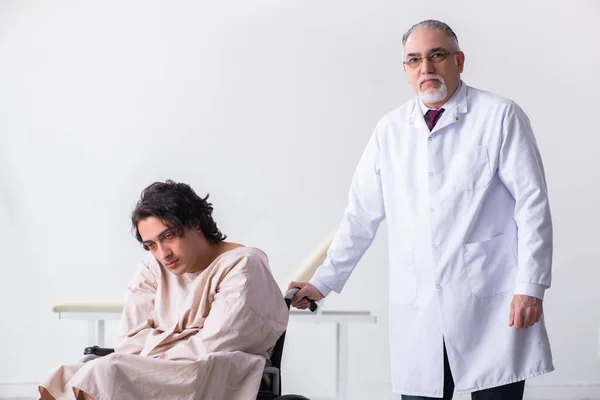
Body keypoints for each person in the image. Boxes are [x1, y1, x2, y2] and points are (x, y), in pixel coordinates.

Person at [289, 20, 553, 400]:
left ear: (459, 61)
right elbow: (361, 216)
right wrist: (323, 282)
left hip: (493, 301)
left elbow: (533, 207)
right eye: (414, 60)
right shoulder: (390, 130)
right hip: (421, 306)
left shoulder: (500, 116)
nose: (426, 67)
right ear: (405, 71)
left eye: (437, 55)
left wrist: (530, 287)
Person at [39, 180, 289, 400]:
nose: (163, 253)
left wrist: (158, 340)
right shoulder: (154, 265)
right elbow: (128, 341)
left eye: (168, 236)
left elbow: (212, 347)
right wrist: (183, 336)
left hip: (208, 373)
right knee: (64, 376)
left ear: (195, 224)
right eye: (151, 245)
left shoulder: (243, 265)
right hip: (153, 369)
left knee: (102, 372)